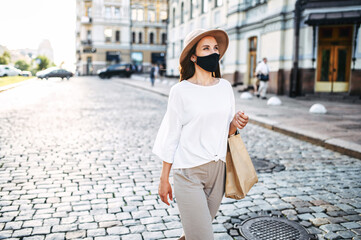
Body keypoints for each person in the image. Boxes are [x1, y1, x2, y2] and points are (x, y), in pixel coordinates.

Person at [152, 28, 249, 240]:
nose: (213, 53)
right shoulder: (181, 91)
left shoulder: (225, 87)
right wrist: (164, 179)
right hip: (188, 174)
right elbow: (170, 136)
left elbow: (227, 131)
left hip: (218, 171)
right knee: (203, 236)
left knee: (196, 233)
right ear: (193, 56)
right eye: (206, 48)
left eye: (215, 48)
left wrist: (234, 123)